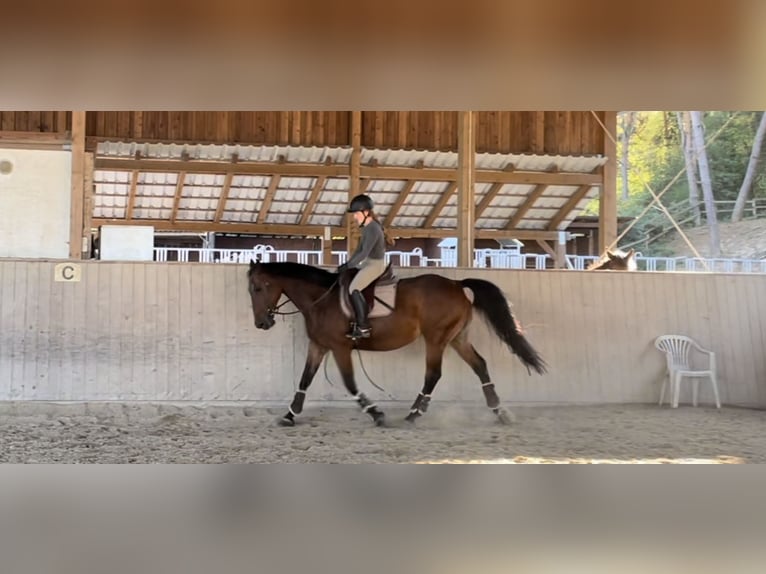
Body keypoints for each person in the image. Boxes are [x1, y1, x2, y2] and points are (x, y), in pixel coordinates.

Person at [337, 194, 395, 339]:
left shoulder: (373, 228)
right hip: (368, 262)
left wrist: (350, 264)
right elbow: (358, 250)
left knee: (353, 288)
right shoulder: (367, 227)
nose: (355, 217)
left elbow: (364, 252)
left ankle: (363, 327)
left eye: (356, 214)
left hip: (375, 265)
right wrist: (348, 264)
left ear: (366, 212)